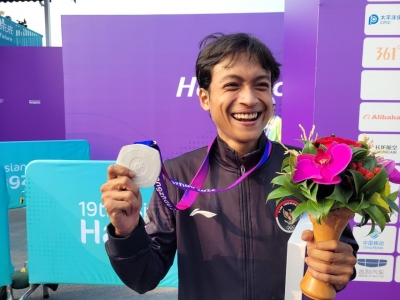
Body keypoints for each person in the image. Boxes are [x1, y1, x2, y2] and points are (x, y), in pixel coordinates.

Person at [101, 32, 358, 300]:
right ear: (204, 98)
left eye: (261, 85)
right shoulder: (177, 176)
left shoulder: (307, 169)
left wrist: (340, 262)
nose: (249, 99)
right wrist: (127, 232)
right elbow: (145, 276)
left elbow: (339, 248)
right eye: (232, 85)